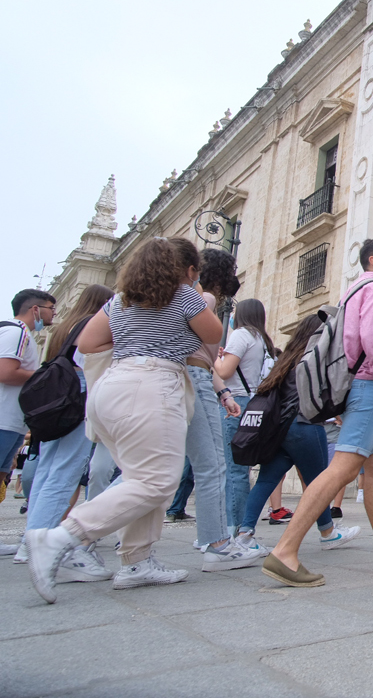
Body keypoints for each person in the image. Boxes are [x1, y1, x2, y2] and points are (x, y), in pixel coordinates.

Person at [27, 237, 224, 603]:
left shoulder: (118, 301)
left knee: (139, 477)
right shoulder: (183, 296)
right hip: (153, 387)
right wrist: (173, 329)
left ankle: (137, 561)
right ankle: (63, 536)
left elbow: (87, 343)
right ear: (185, 269)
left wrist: (133, 345)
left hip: (112, 386)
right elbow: (213, 334)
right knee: (158, 480)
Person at [261, 238, 373, 587]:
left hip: (357, 389)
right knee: (343, 469)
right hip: (370, 388)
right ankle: (285, 551)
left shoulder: (353, 291)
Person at [235, 314, 360, 555]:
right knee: (319, 481)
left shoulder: (286, 360)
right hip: (305, 425)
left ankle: (244, 535)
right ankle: (328, 533)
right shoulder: (315, 359)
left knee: (266, 481)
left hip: (280, 429)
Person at [19, 285, 115, 580]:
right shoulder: (91, 325)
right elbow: (90, 366)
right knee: (65, 473)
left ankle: (30, 540)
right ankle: (44, 544)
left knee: (48, 471)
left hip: (54, 402)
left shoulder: (64, 328)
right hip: (75, 398)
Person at [172, 242, 258, 572]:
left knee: (166, 465)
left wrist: (222, 392)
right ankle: (218, 544)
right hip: (195, 379)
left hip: (187, 379)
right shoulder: (202, 299)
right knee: (214, 464)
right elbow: (205, 352)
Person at [214, 296, 273, 533]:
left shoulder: (240, 334)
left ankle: (232, 527)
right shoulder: (260, 338)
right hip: (249, 404)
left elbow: (225, 370)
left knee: (232, 470)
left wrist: (214, 359)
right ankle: (238, 525)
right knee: (240, 469)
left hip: (234, 403)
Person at [0, 289, 57, 506]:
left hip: (12, 421)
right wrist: (43, 376)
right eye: (51, 308)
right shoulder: (18, 332)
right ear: (35, 309)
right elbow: (5, 372)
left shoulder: (20, 333)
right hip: (4, 419)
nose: (54, 314)